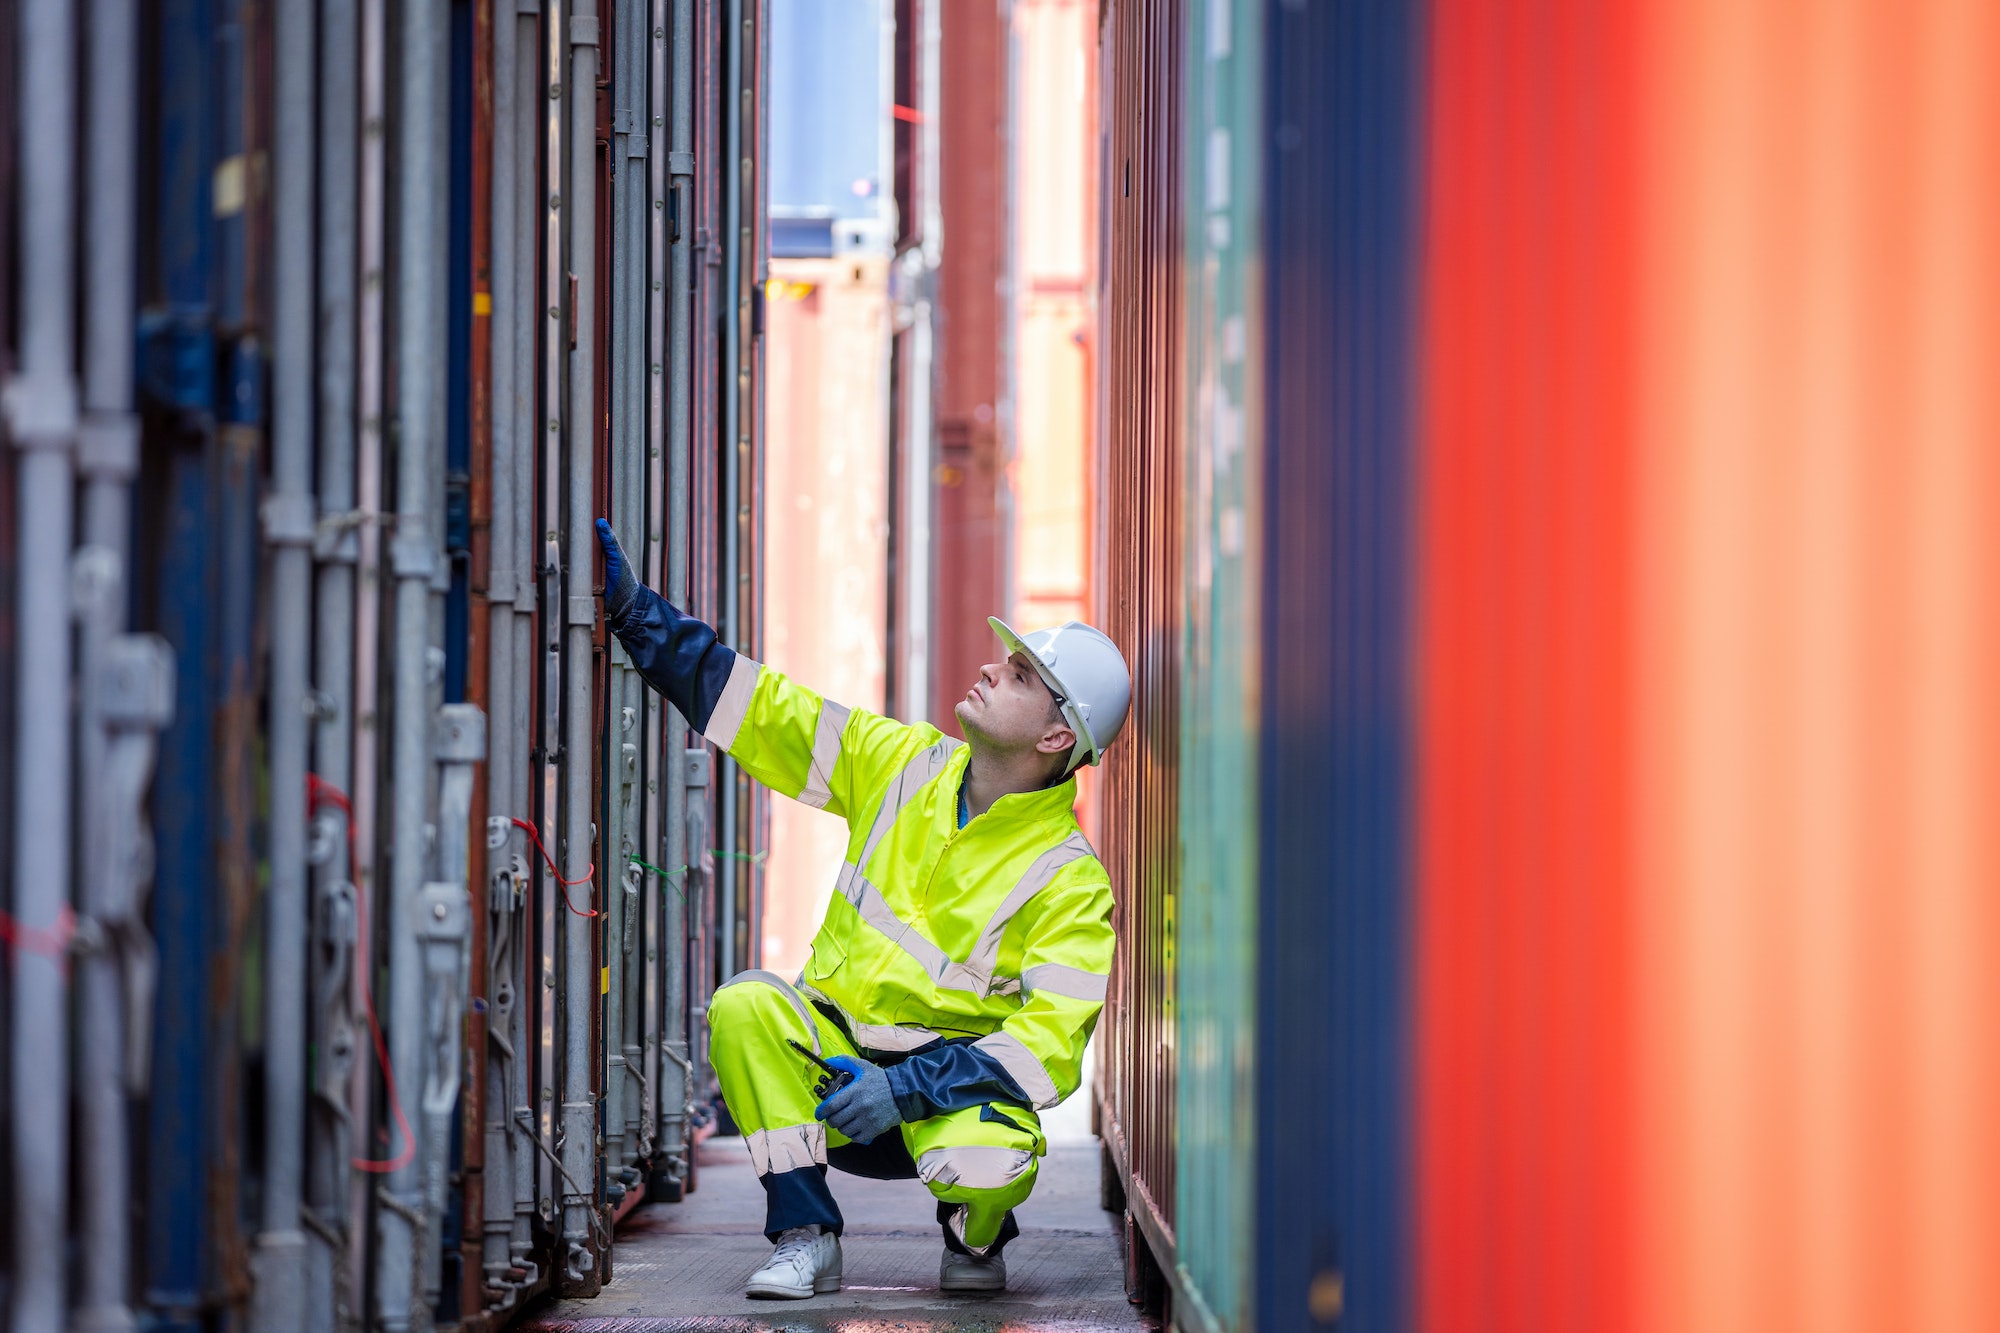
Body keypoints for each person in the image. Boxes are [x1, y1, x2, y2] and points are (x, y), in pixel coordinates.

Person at [593, 519, 1130, 1298]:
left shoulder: (1069, 879)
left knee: (988, 1161)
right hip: (833, 1069)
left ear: (1056, 733)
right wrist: (635, 614)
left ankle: (972, 1240)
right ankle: (805, 1235)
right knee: (745, 1005)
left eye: (1017, 674)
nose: (989, 668)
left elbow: (1047, 1050)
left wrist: (905, 1088)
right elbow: (765, 710)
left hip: (942, 1103)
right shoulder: (902, 762)